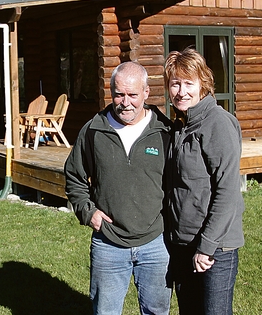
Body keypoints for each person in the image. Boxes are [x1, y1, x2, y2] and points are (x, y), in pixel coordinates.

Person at [64, 61, 172, 315]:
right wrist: (88, 213)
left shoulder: (165, 132)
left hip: (156, 242)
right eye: (119, 94)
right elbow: (74, 176)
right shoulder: (93, 131)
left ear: (146, 93)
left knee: (157, 311)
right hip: (108, 243)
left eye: (133, 95)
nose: (126, 102)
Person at [163, 47, 245, 315]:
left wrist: (206, 247)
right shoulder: (180, 126)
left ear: (204, 85)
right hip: (183, 243)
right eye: (175, 83)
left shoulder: (218, 124)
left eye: (189, 83)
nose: (181, 91)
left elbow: (228, 192)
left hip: (215, 248)